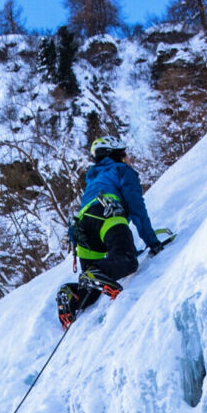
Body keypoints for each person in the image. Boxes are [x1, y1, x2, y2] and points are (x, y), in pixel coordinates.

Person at [57, 136, 163, 327]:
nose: (127, 158)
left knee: (93, 287)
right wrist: (152, 241)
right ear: (115, 155)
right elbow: (137, 207)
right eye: (123, 154)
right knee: (127, 261)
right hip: (107, 215)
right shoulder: (121, 170)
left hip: (82, 229)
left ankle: (72, 296)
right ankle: (95, 271)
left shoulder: (93, 179)